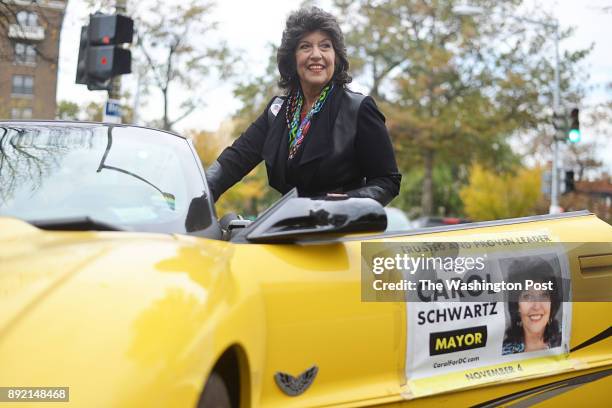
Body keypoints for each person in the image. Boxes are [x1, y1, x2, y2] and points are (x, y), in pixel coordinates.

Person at [206, 7, 401, 206]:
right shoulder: (277, 111)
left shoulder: (359, 109)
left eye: (325, 46)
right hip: (290, 227)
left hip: (340, 228)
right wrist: (201, 193)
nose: (316, 54)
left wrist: (346, 203)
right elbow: (234, 161)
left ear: (336, 57)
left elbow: (388, 181)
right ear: (292, 58)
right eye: (305, 46)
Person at [502, 257, 562, 355]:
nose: (536, 306)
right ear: (516, 305)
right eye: (527, 296)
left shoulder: (568, 341)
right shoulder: (503, 352)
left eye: (544, 295)